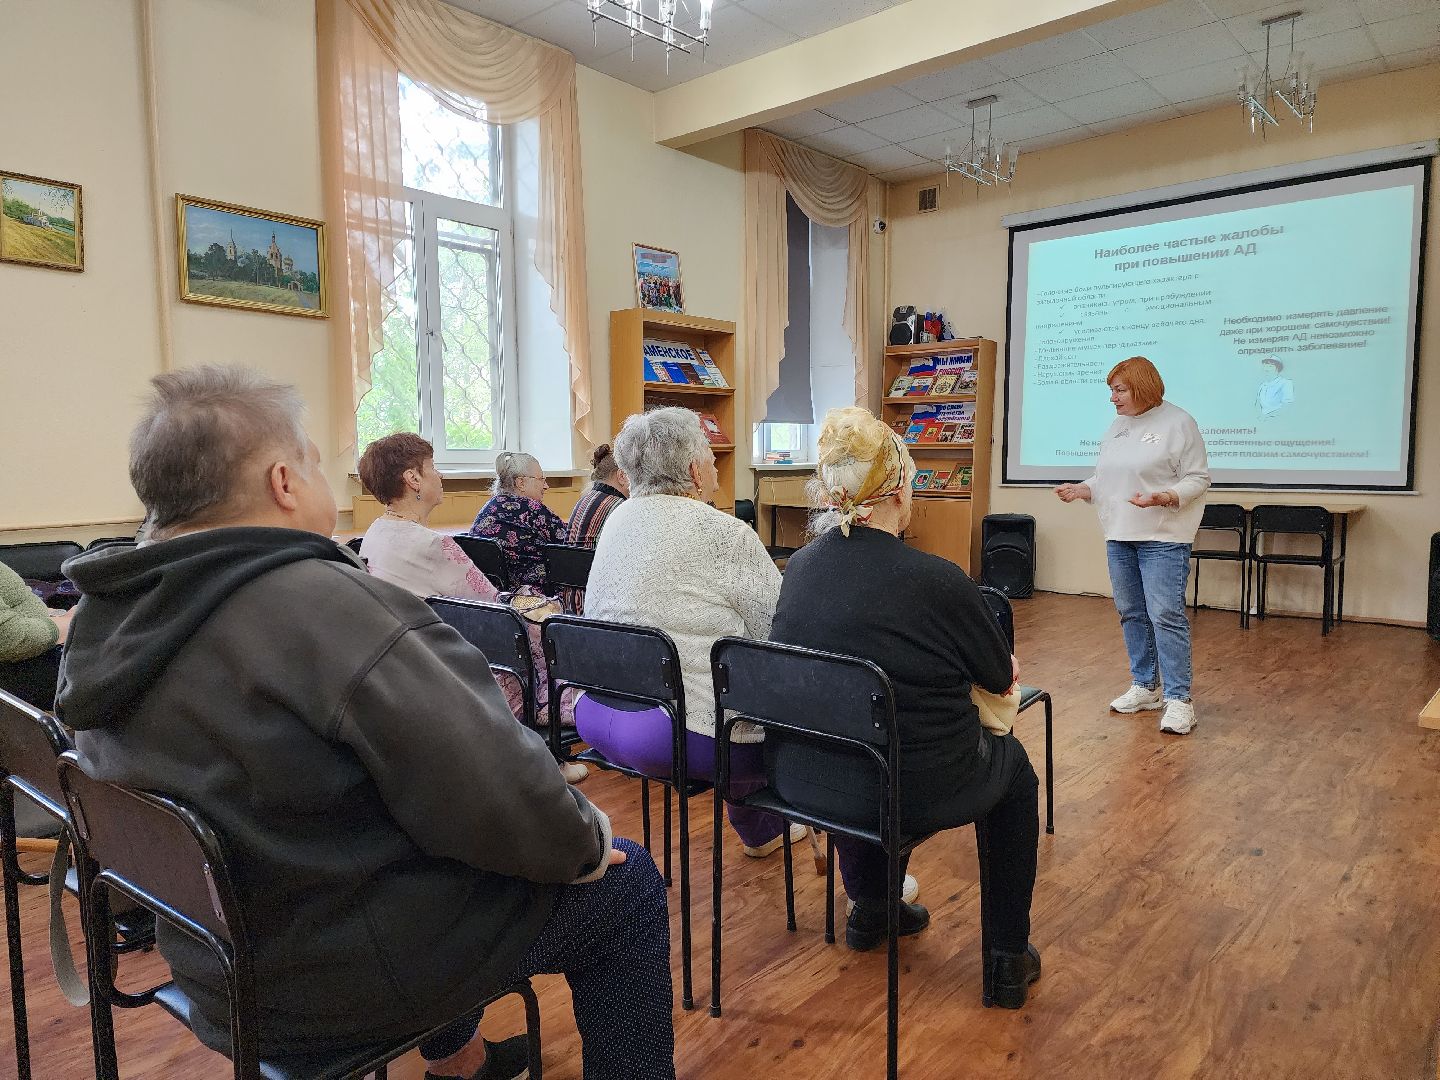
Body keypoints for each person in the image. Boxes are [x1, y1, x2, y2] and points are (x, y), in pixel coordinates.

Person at [56, 367, 675, 1080]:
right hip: (333, 975)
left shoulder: (103, 620)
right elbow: (503, 798)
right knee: (624, 886)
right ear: (284, 480)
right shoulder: (330, 609)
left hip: (213, 961)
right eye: (319, 460)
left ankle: (461, 1063)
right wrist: (587, 844)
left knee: (407, 818)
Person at [769, 407, 1042, 1009]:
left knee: (863, 741)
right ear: (897, 491)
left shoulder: (800, 568)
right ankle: (1005, 959)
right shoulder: (938, 580)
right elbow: (997, 676)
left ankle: (873, 909)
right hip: (912, 782)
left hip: (805, 778)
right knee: (1014, 776)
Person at [581, 407, 802, 858]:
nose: (717, 464)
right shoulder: (724, 532)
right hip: (681, 735)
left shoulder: (615, 521)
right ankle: (767, 828)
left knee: (719, 679)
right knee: (775, 697)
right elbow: (779, 632)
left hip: (600, 712)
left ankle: (761, 831)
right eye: (711, 455)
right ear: (693, 471)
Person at [357, 432, 586, 784]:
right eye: (433, 468)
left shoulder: (375, 534)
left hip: (409, 662)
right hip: (452, 667)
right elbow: (493, 608)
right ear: (413, 479)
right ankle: (549, 754)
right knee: (546, 625)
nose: (441, 476)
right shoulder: (432, 546)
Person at [1054, 355, 1211, 735]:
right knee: (1131, 613)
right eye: (1112, 390)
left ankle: (1178, 700)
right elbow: (1107, 476)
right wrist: (1083, 488)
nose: (1113, 398)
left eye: (1119, 390)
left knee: (1165, 616)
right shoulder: (1117, 427)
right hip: (1120, 535)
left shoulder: (1179, 423)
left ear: (1142, 387)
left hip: (1163, 538)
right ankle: (1145, 687)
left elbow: (1198, 478)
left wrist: (1168, 496)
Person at [468, 452, 566, 593]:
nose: (546, 486)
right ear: (521, 483)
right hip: (534, 600)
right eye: (541, 479)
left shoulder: (488, 507)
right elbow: (569, 544)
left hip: (493, 599)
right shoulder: (533, 509)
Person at [560, 443, 629, 613]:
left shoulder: (585, 499)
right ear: (621, 476)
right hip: (595, 604)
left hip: (570, 603)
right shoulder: (619, 507)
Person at [0, 558, 72, 710]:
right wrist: (70, 621)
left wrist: (53, 616)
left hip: (35, 649)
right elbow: (10, 637)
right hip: (21, 667)